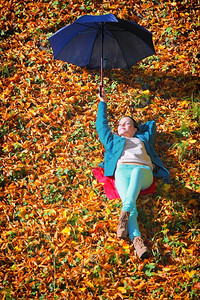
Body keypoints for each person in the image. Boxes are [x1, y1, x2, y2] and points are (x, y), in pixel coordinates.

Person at [96, 87, 170, 259]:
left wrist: (135, 128)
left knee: (136, 174)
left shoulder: (142, 139)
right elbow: (101, 125)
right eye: (119, 123)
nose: (121, 125)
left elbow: (151, 124)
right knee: (132, 203)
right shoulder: (113, 140)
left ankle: (124, 212)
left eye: (126, 123)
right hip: (122, 171)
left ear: (136, 129)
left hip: (143, 172)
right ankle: (137, 240)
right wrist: (102, 102)